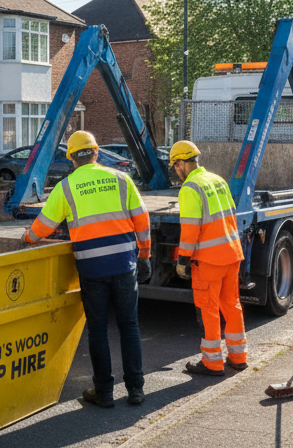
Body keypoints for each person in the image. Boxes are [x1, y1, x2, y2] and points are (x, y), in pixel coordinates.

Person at [25, 131, 151, 407]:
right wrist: (144, 254)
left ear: (71, 158)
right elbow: (142, 220)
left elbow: (44, 225)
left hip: (92, 267)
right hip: (123, 263)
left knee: (97, 329)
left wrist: (28, 238)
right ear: (96, 152)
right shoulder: (121, 179)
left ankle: (104, 392)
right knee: (129, 325)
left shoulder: (66, 187)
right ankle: (136, 390)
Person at [167, 140, 247, 377]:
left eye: (175, 166)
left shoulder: (190, 188)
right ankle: (238, 357)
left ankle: (212, 363)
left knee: (209, 309)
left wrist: (182, 260)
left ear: (181, 163)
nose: (175, 171)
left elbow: (190, 229)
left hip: (209, 260)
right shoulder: (217, 180)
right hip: (232, 254)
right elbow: (231, 214)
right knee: (231, 305)